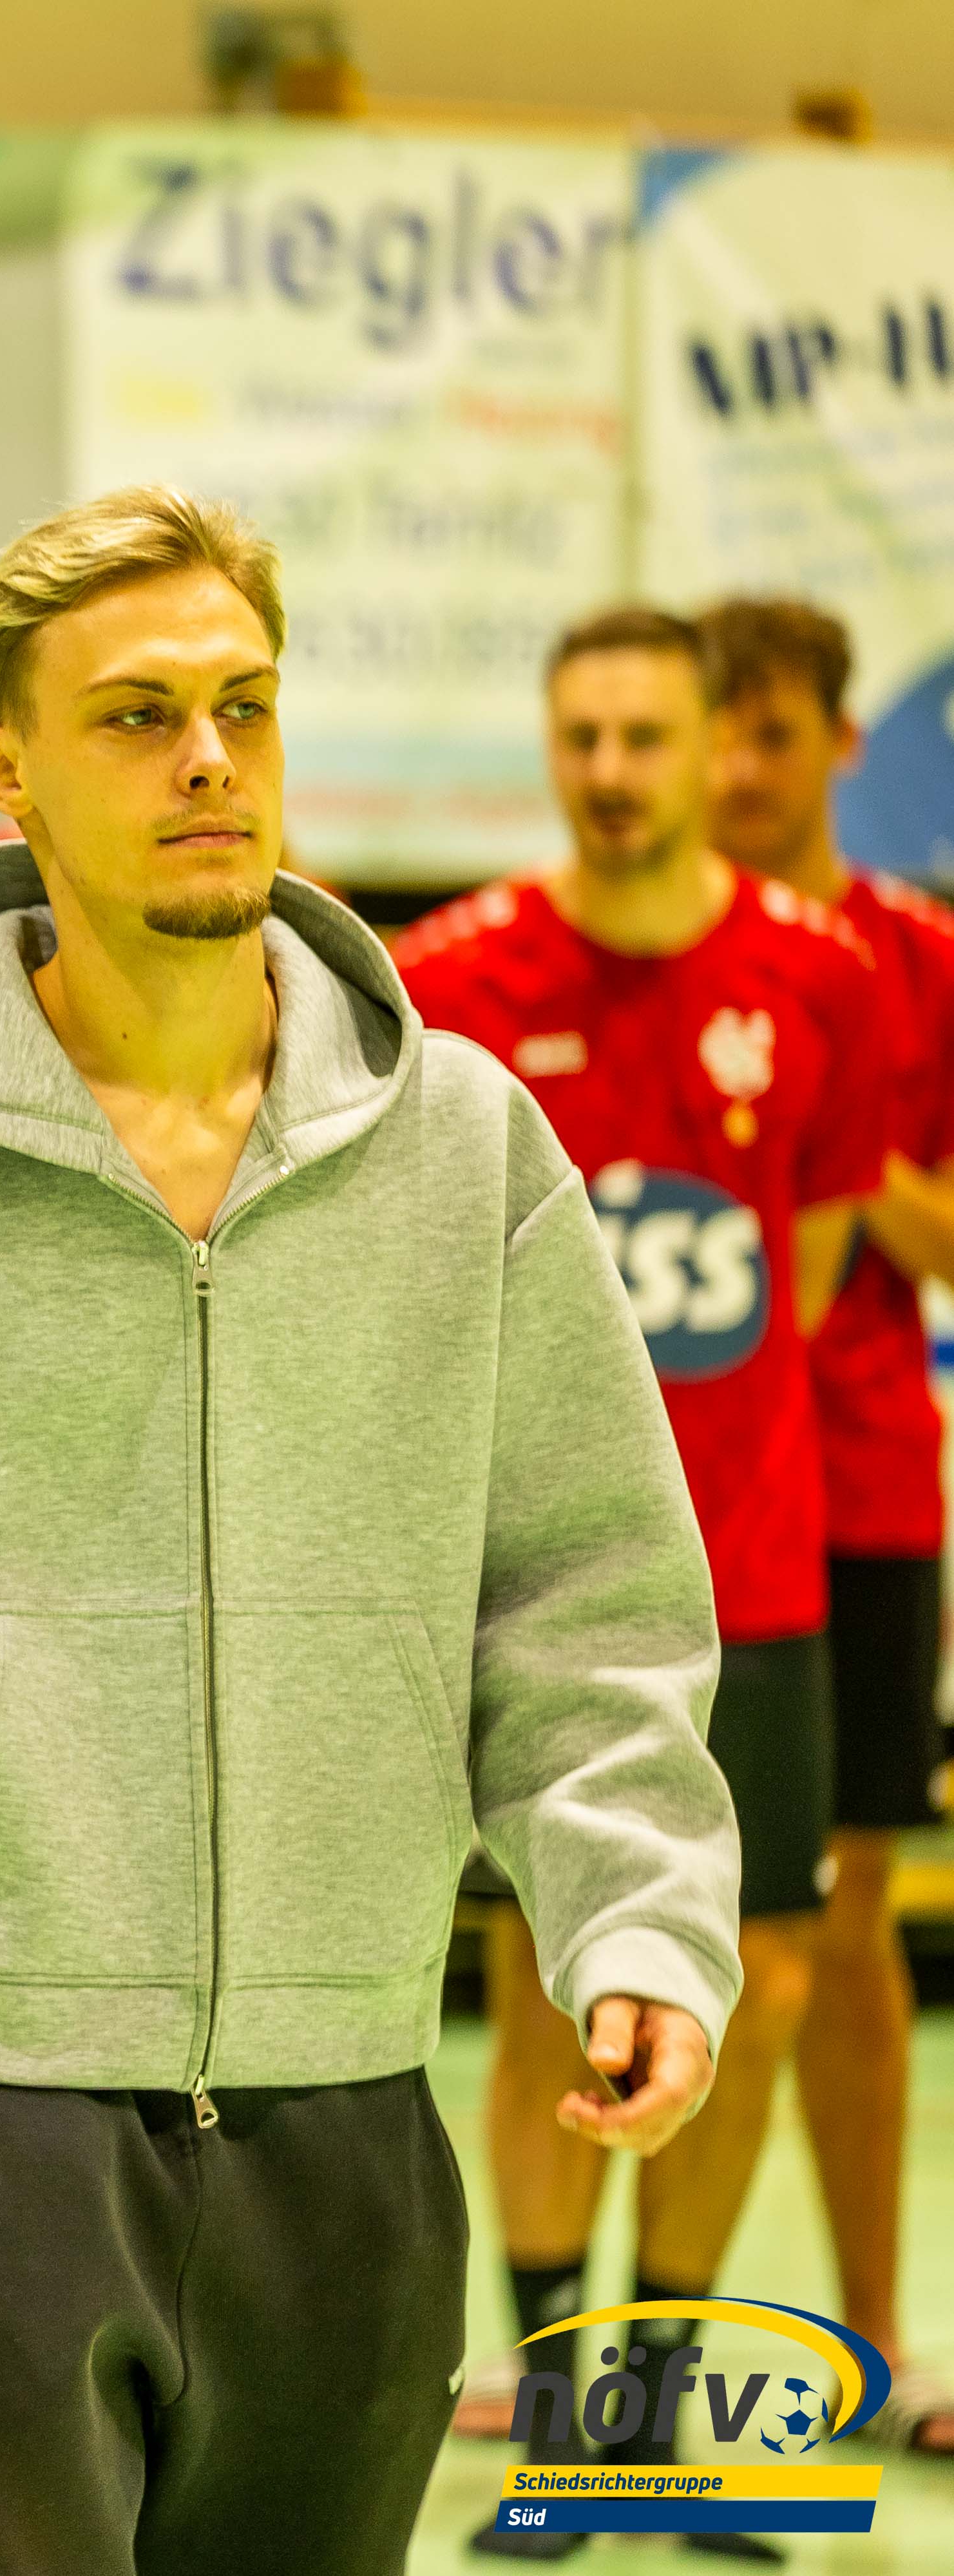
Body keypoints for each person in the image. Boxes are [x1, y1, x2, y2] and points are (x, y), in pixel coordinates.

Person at [0, 490, 747, 2575]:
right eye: (136, 716)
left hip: (353, 2084)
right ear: (3, 771)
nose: (207, 758)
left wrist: (636, 1915)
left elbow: (586, 1602)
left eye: (242, 706)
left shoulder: (467, 1153)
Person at [399, 605, 886, 2557]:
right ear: (550, 748)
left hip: (753, 1578)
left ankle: (653, 2421)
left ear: (707, 756)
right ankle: (559, 2430)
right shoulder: (451, 982)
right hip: (520, 1582)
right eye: (580, 736)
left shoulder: (820, 980)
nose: (611, 772)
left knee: (756, 1987)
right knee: (546, 1992)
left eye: (646, 738)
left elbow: (817, 1268)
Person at [698, 596, 954, 2452]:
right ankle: (584, 2353)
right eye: (710, 728)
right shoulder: (611, 954)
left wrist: (839, 1161)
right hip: (662, 1510)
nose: (735, 768)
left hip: (858, 1492)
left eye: (772, 731)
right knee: (582, 1931)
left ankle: (876, 2341)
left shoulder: (912, 966)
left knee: (847, 1922)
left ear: (841, 746)